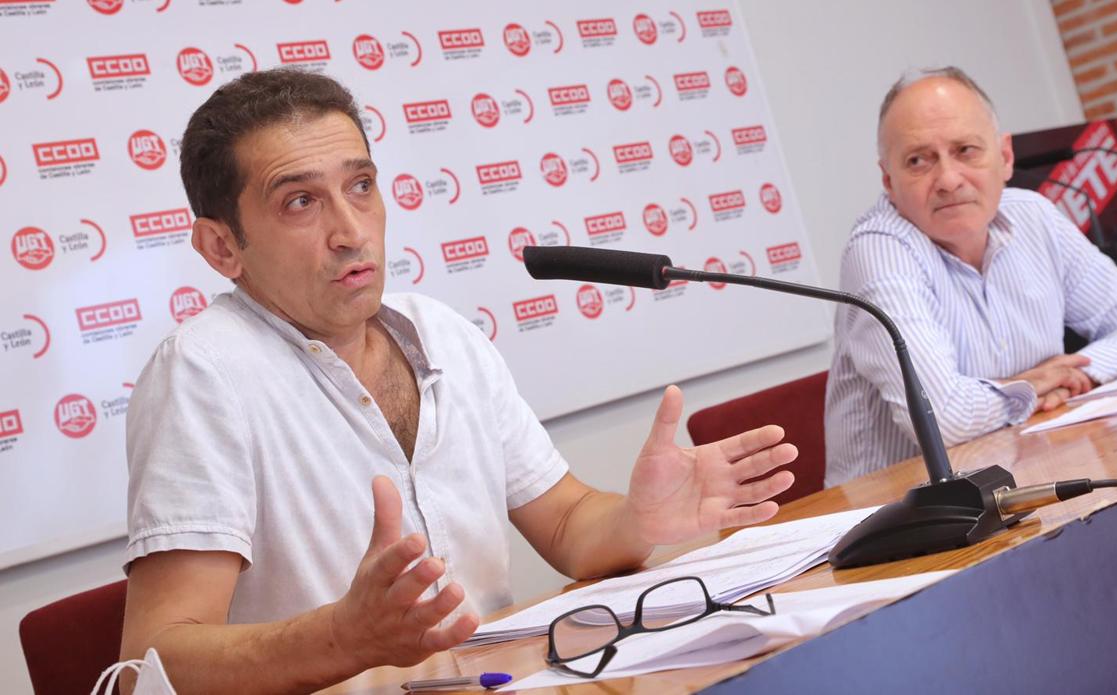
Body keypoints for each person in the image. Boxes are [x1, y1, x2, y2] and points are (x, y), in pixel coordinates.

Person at [119, 68, 798, 693]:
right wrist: (343, 637)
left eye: (361, 185)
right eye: (301, 202)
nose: (351, 231)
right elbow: (156, 660)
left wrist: (637, 518)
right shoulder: (202, 372)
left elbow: (564, 521)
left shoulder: (440, 331)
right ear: (221, 247)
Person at [823, 66, 1117, 487]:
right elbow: (942, 420)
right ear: (888, 180)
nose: (948, 179)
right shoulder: (879, 249)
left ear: (1006, 157)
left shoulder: (1032, 216)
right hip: (900, 516)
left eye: (965, 150)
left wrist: (1075, 375)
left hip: (1027, 472)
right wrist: (1029, 388)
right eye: (918, 161)